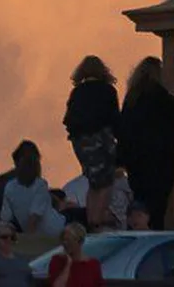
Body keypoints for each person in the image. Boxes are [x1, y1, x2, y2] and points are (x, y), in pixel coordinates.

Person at [117, 56, 174, 230]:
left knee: (140, 201)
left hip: (136, 162)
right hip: (159, 161)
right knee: (157, 205)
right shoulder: (159, 96)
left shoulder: (132, 98)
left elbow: (122, 128)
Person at [63, 55, 120, 231]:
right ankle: (97, 218)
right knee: (106, 181)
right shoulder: (108, 91)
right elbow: (115, 119)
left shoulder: (77, 92)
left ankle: (90, 218)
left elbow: (68, 120)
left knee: (93, 182)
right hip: (102, 141)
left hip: (82, 144)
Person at [0, 148, 65, 237]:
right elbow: (34, 216)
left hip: (38, 232)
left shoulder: (10, 186)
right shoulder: (40, 184)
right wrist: (29, 239)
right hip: (53, 229)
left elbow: (6, 217)